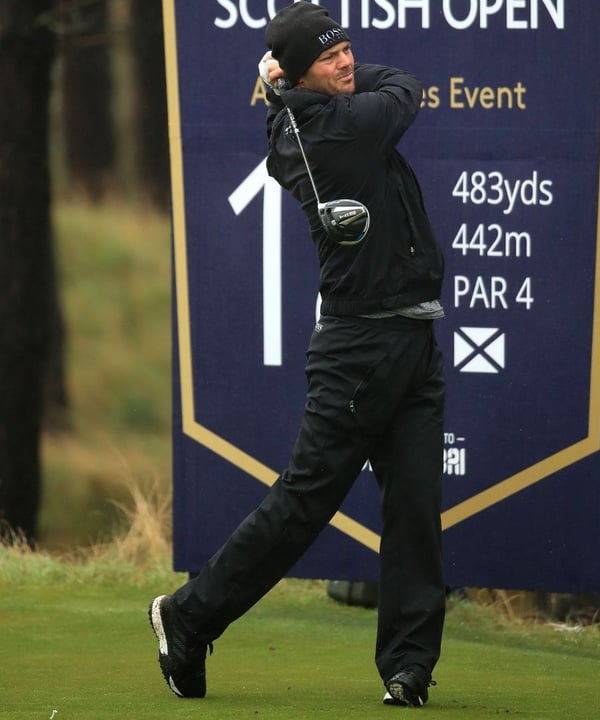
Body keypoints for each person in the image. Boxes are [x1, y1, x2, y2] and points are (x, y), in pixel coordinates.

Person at [148, 2, 447, 707]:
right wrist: (295, 83)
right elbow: (404, 87)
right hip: (359, 349)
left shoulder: (296, 119)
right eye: (330, 57)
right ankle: (188, 615)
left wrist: (288, 81)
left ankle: (409, 666)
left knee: (415, 507)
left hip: (412, 340)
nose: (347, 61)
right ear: (300, 75)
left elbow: (352, 86)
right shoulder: (339, 129)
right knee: (305, 503)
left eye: (348, 48)